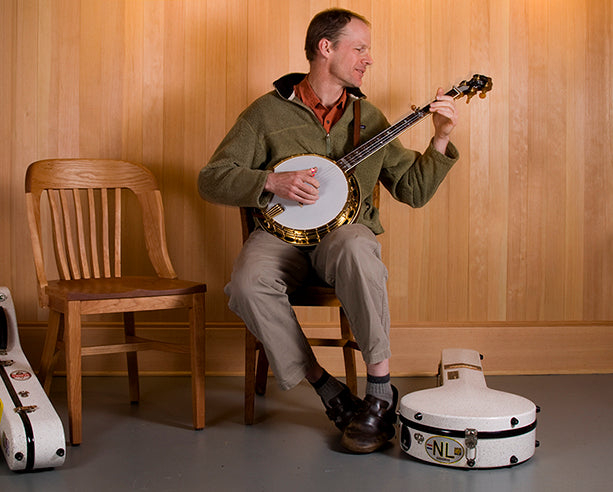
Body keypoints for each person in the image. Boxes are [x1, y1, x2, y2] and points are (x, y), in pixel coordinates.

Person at [197, 8, 459, 454]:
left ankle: (379, 394)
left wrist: (439, 137)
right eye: (360, 48)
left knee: (358, 245)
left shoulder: (369, 117)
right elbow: (211, 178)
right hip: (280, 239)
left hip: (340, 241)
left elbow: (412, 191)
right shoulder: (266, 113)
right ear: (326, 48)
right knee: (245, 284)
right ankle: (327, 388)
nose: (368, 59)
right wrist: (269, 181)